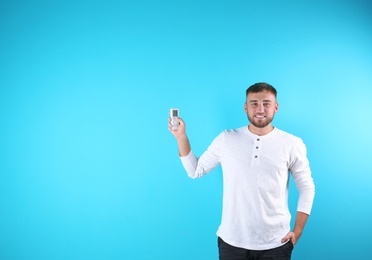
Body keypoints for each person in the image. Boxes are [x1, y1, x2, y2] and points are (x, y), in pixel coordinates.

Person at [168, 82, 315, 260]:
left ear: (276, 107)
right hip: (232, 243)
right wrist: (181, 137)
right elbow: (195, 170)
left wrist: (297, 231)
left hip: (276, 243)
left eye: (266, 103)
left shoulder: (292, 143)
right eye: (254, 103)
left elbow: (307, 187)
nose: (260, 109)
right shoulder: (227, 139)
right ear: (246, 107)